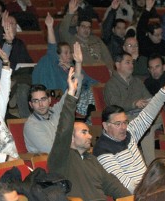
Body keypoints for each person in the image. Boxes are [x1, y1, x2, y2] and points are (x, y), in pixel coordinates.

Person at [48, 67, 131, 200]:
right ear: (71, 138)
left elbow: (111, 184)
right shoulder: (61, 157)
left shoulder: (92, 159)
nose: (91, 136)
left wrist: (130, 198)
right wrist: (70, 96)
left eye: (89, 132)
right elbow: (63, 130)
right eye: (84, 132)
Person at [94, 64, 165, 192]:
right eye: (118, 124)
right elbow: (125, 185)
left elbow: (149, 112)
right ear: (105, 126)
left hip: (148, 189)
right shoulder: (103, 151)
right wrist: (154, 191)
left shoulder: (129, 133)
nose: (123, 127)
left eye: (125, 122)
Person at [32, 12, 97, 116]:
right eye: (66, 53)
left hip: (80, 96)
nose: (70, 56)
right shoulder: (52, 63)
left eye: (70, 52)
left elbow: (90, 82)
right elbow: (52, 47)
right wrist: (49, 27)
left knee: (95, 94)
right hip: (66, 100)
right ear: (58, 55)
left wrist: (72, 69)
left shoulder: (72, 65)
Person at [24, 42, 84, 153]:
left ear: (49, 100)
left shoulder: (56, 111)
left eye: (43, 99)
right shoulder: (31, 125)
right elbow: (52, 150)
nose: (41, 104)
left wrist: (78, 64)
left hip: (69, 157)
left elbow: (73, 93)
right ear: (31, 105)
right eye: (36, 101)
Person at [60, 0, 114, 73]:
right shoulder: (71, 40)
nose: (86, 29)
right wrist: (70, 13)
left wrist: (110, 70)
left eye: (88, 27)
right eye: (83, 27)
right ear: (77, 28)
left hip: (101, 70)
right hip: (84, 72)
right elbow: (62, 30)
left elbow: (107, 57)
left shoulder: (96, 40)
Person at [104, 52, 152, 120]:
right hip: (122, 117)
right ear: (118, 65)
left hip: (140, 113)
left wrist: (150, 102)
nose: (131, 66)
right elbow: (115, 105)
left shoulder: (137, 81)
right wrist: (134, 104)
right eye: (127, 62)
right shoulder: (111, 85)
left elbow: (148, 97)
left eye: (132, 63)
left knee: (162, 114)